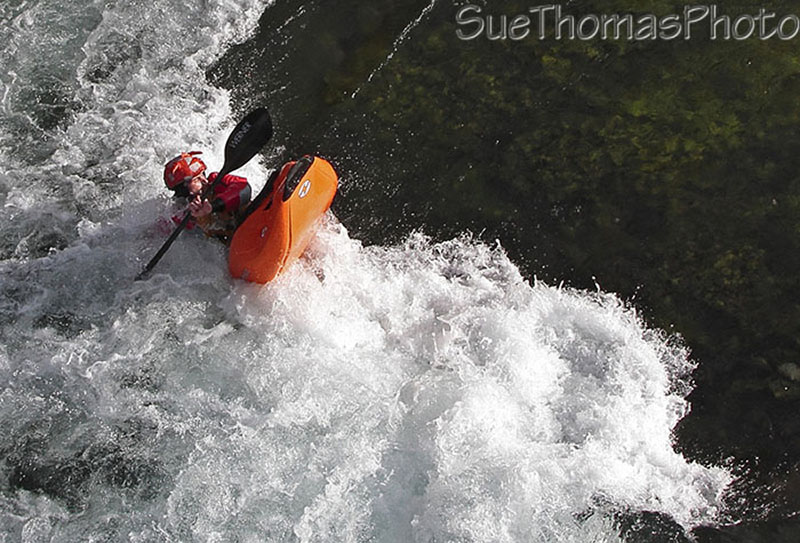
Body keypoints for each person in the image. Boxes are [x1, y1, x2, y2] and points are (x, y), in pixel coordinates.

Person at [163, 151, 252, 244]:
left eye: (184, 188)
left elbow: (244, 189)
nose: (185, 195)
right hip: (232, 245)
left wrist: (213, 207)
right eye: (179, 191)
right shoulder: (181, 212)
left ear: (201, 179)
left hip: (249, 224)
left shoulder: (217, 181)